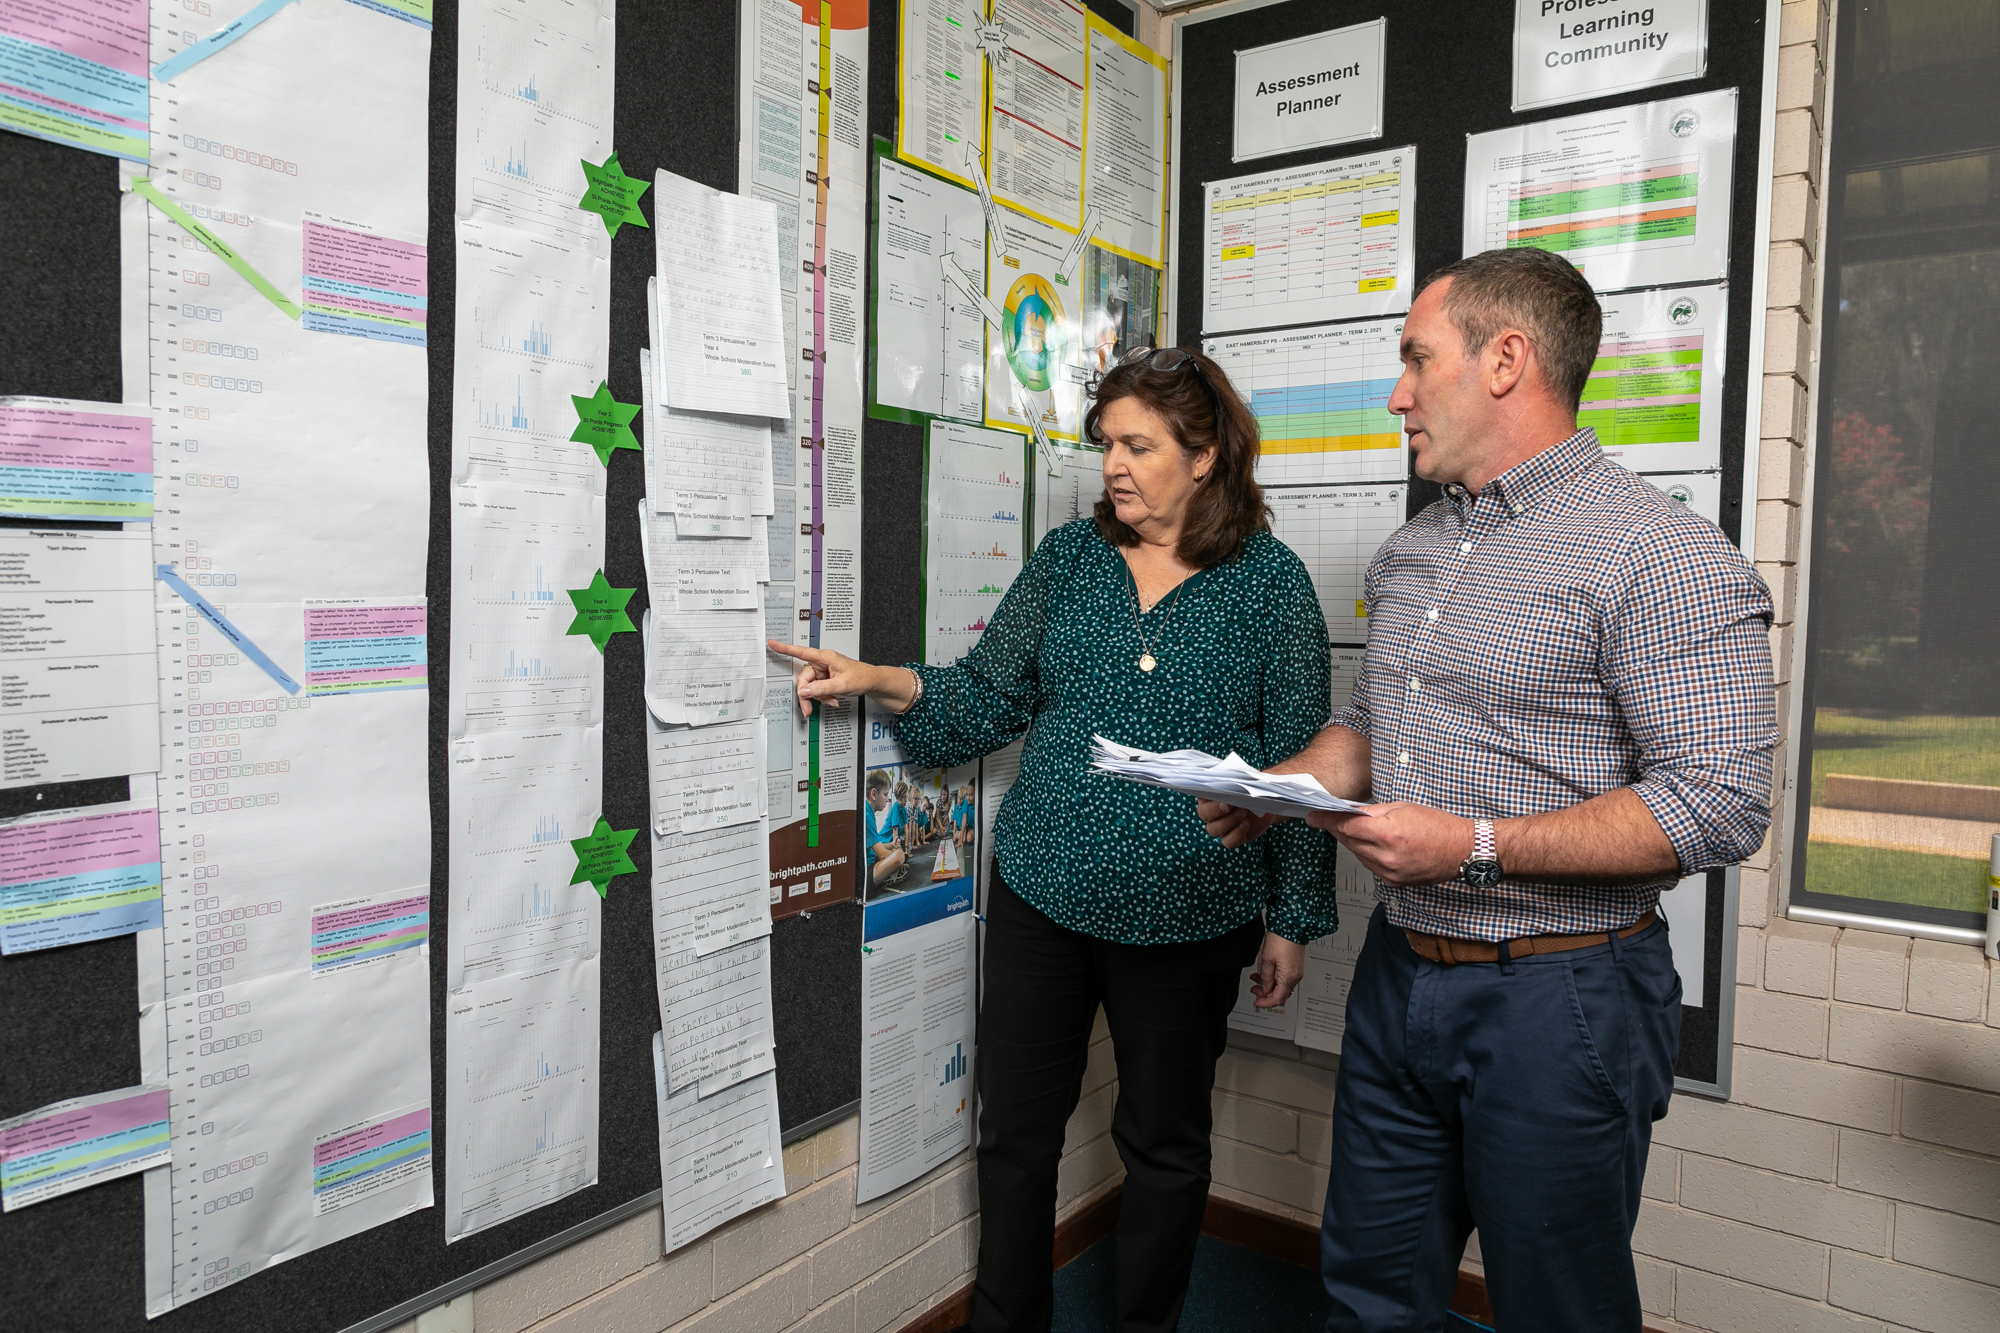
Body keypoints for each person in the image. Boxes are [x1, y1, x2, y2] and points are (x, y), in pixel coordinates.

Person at [1199, 248, 1776, 1332]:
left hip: (1562, 999)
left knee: (1556, 1308)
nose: (1396, 391)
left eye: (1416, 358)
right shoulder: (1411, 551)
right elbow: (1372, 733)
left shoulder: (1659, 555)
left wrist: (1471, 844)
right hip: (1398, 978)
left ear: (1505, 359)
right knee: (1366, 1292)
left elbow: (1717, 801)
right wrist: (1274, 787)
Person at [771, 346, 1337, 1333]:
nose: (1112, 465)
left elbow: (1297, 764)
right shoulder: (1069, 562)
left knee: (1162, 1146)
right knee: (1016, 1135)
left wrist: (1290, 916)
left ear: (1204, 455)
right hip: (1043, 892)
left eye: (1137, 445)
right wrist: (873, 679)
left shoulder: (1271, 583)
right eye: (1104, 443)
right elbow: (990, 695)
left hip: (1190, 913)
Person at [863, 769, 907, 888]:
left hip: (870, 861)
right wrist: (897, 854)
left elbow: (872, 847)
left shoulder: (868, 812)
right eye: (885, 794)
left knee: (896, 851)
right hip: (865, 874)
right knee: (899, 856)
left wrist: (892, 845)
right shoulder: (866, 816)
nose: (887, 799)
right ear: (873, 794)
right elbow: (882, 854)